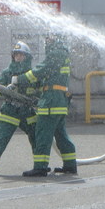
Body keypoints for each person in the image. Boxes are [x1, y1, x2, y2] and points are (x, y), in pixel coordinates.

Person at [19, 33, 77, 177]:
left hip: (51, 102)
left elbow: (40, 71)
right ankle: (70, 165)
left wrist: (19, 79)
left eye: (48, 38)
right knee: (61, 135)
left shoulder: (56, 53)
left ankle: (40, 167)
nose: (46, 41)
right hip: (59, 101)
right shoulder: (62, 53)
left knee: (43, 134)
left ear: (55, 38)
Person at [0, 42, 38, 177]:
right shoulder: (7, 73)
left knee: (36, 138)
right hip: (10, 111)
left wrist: (36, 98)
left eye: (21, 55)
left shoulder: (32, 74)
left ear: (27, 57)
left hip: (27, 112)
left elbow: (39, 90)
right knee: (2, 139)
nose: (18, 57)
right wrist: (5, 90)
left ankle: (40, 166)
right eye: (16, 55)